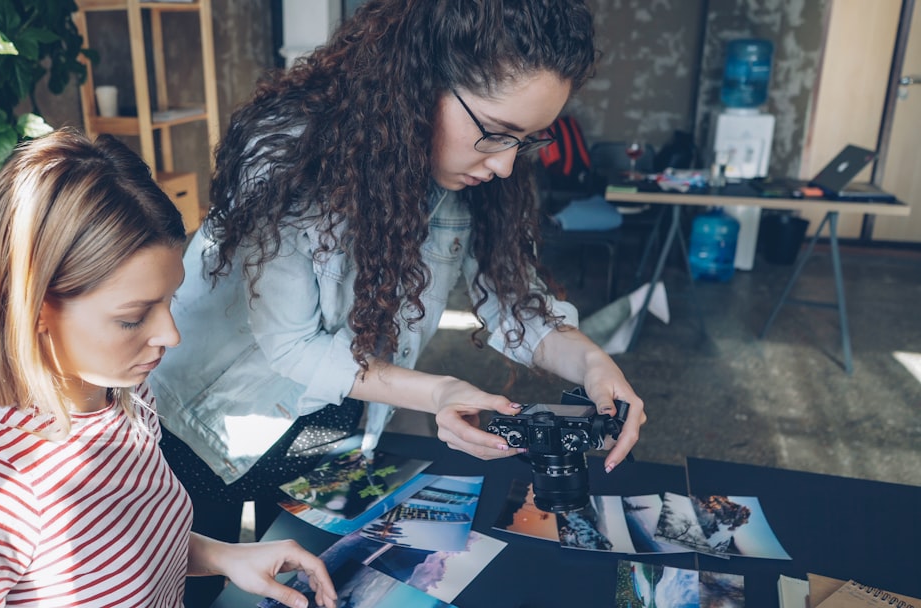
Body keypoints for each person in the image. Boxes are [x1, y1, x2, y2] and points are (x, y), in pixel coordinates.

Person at [150, 0, 647, 603]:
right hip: (202, 425)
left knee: (313, 585)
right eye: (495, 132)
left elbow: (515, 302)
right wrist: (438, 392)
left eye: (525, 139)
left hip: (327, 423)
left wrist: (592, 362)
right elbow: (294, 345)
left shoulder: (476, 175)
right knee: (192, 590)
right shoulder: (289, 149)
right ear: (421, 80)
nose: (504, 163)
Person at [0, 130, 337, 608]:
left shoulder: (122, 396)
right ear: (35, 310)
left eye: (169, 300)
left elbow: (124, 550)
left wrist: (227, 556)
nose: (170, 335)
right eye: (133, 317)